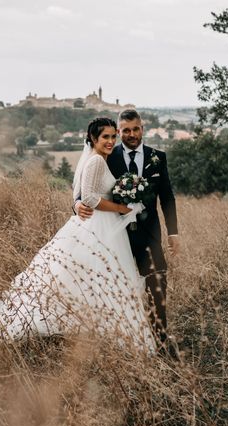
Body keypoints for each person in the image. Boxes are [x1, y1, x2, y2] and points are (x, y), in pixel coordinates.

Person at [0, 117, 155, 352]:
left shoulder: (97, 159)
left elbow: (79, 193)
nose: (111, 141)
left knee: (90, 278)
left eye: (113, 136)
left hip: (98, 224)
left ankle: (94, 332)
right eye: (105, 137)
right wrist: (121, 208)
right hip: (98, 226)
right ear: (93, 138)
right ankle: (109, 335)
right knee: (102, 277)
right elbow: (89, 198)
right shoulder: (97, 162)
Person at [75, 109, 179, 353]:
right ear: (119, 132)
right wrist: (76, 204)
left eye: (136, 129)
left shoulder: (157, 157)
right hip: (115, 235)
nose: (131, 135)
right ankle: (117, 340)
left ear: (142, 128)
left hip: (149, 235)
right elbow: (85, 190)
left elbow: (167, 197)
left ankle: (160, 340)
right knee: (114, 287)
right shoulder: (107, 154)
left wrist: (173, 232)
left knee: (157, 284)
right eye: (126, 131)